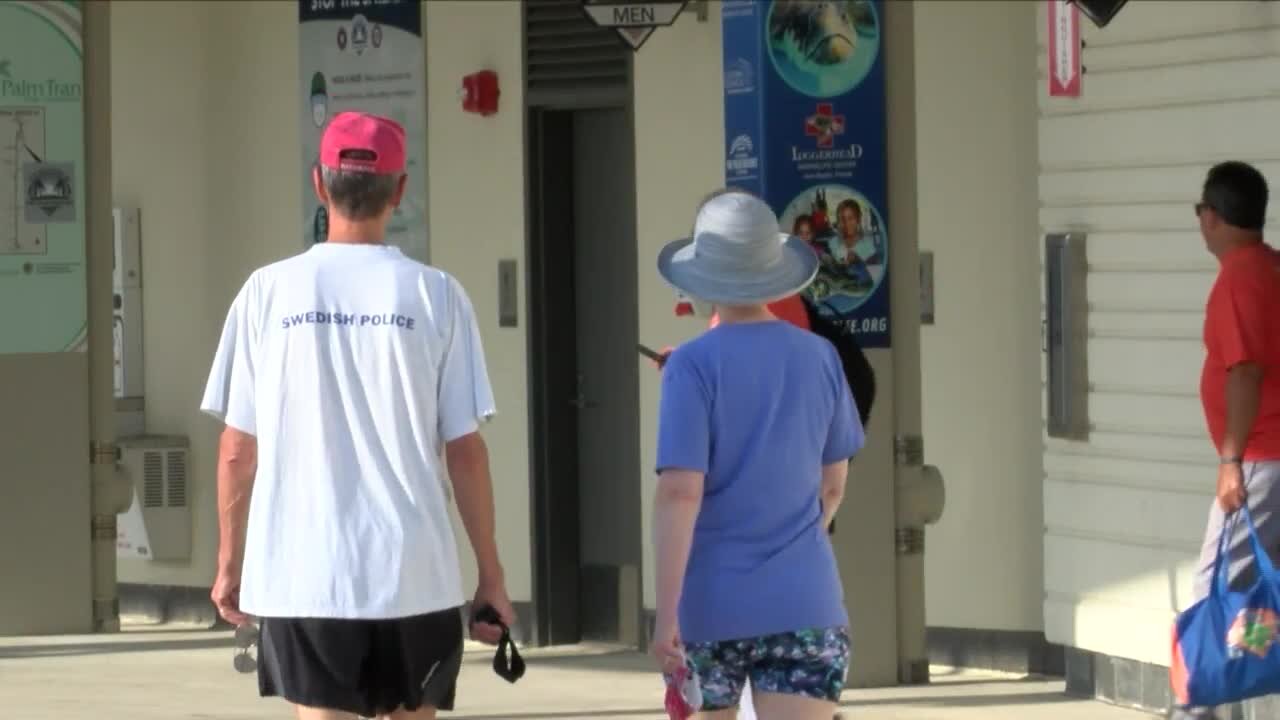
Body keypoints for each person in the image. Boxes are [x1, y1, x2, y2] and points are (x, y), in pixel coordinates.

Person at [200, 111, 515, 720]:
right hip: (414, 574)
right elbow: (466, 451)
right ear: (400, 191)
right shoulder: (437, 295)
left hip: (303, 575)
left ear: (319, 185)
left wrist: (229, 563)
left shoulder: (267, 293)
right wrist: (490, 575)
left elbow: (238, 449)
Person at [650, 189, 864, 720]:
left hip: (711, 605)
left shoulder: (691, 367)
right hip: (806, 601)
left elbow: (680, 495)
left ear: (701, 277)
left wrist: (664, 615)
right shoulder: (820, 357)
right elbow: (833, 484)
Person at [1173, 161, 1280, 720]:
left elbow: (1245, 371)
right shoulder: (1272, 268)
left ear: (1211, 217)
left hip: (1261, 457)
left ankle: (1200, 708)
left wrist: (1231, 459)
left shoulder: (1239, 278)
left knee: (1216, 583)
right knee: (1266, 590)